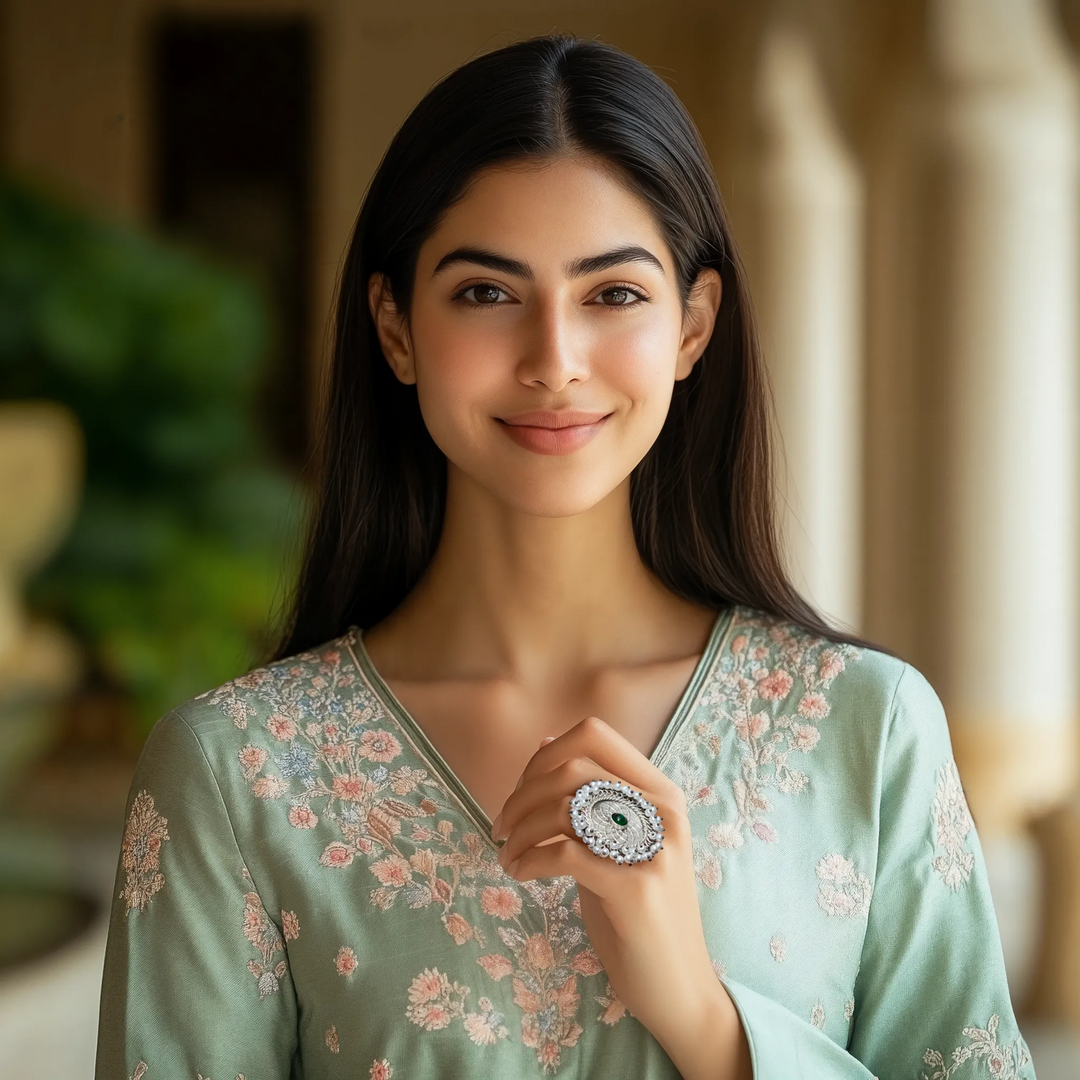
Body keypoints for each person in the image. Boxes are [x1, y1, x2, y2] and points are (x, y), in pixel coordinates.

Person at [95, 33, 1032, 1080]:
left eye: (614, 295)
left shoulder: (868, 731)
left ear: (692, 325)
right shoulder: (237, 774)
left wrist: (705, 1021)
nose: (553, 359)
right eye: (487, 294)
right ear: (395, 328)